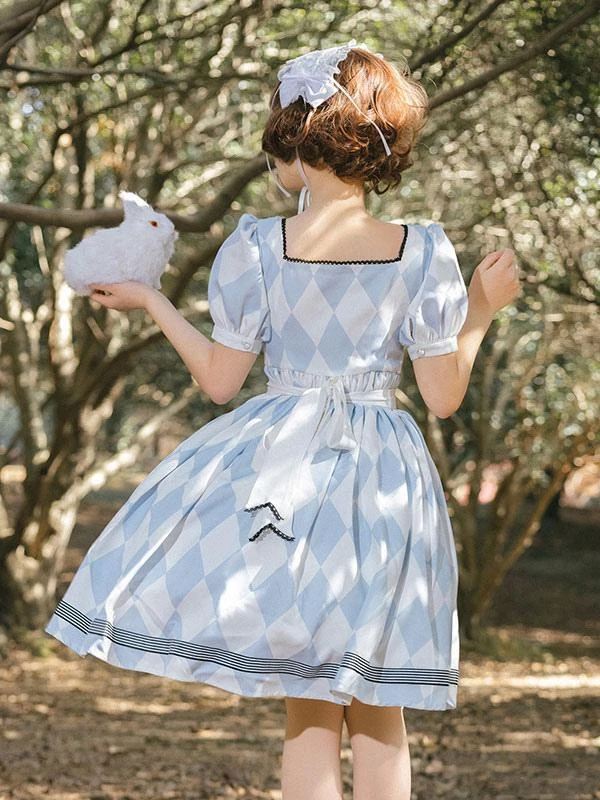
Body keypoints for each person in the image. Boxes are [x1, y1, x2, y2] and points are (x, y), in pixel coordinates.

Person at [44, 40, 520, 800]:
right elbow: (442, 398)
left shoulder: (258, 247)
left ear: (299, 137)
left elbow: (220, 382)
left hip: (285, 481)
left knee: (308, 700)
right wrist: (481, 311)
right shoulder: (423, 251)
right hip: (381, 484)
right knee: (380, 703)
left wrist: (155, 302)